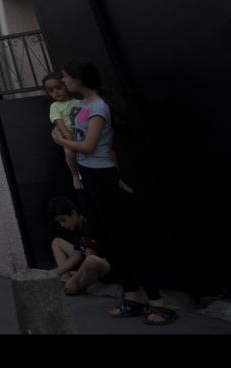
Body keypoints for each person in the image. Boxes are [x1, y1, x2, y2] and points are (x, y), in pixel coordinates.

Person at [51, 59, 177, 325]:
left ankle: (157, 301)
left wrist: (61, 141)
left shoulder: (98, 107)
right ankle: (132, 295)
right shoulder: (82, 106)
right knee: (108, 241)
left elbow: (90, 146)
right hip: (89, 180)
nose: (63, 82)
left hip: (101, 177)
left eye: (65, 77)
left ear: (79, 79)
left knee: (126, 240)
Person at [45, 72, 133, 194]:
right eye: (51, 90)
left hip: (84, 137)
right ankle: (75, 175)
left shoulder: (79, 102)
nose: (56, 92)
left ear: (65, 85)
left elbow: (87, 121)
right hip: (69, 137)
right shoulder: (55, 106)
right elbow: (58, 123)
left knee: (111, 153)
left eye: (58, 87)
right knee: (69, 152)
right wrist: (68, 139)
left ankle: (117, 178)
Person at [48, 196, 111, 295]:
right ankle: (65, 279)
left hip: (104, 266)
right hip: (86, 262)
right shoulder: (77, 228)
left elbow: (90, 257)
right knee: (57, 242)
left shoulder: (89, 224)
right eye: (59, 222)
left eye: (64, 220)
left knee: (91, 260)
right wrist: (56, 272)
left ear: (73, 213)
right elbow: (77, 255)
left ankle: (73, 285)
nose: (62, 225)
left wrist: (75, 278)